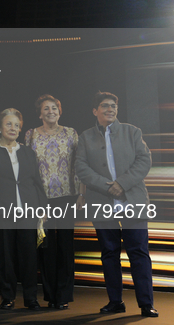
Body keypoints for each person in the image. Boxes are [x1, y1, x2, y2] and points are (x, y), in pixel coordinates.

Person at [75, 92, 158, 318]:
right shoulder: (85, 137)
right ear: (95, 111)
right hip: (101, 202)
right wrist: (107, 186)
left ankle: (146, 303)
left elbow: (144, 160)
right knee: (109, 253)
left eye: (113, 106)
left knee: (138, 252)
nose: (110, 109)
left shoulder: (133, 132)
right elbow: (81, 168)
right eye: (104, 106)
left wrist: (122, 183)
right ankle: (115, 301)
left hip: (133, 200)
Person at [0, 108, 47, 310]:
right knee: (6, 256)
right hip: (1, 211)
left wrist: (42, 207)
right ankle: (8, 297)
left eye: (16, 125)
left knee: (29, 257)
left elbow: (36, 182)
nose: (13, 128)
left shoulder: (27, 152)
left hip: (28, 211)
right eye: (9, 124)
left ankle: (31, 298)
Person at [24, 95, 84, 310]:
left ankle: (64, 295)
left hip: (67, 196)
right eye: (46, 108)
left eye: (54, 108)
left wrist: (81, 194)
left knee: (66, 245)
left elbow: (78, 165)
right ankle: (50, 295)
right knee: (46, 246)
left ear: (60, 111)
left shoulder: (71, 133)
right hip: (41, 198)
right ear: (40, 113)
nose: (50, 111)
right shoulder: (30, 135)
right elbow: (27, 169)